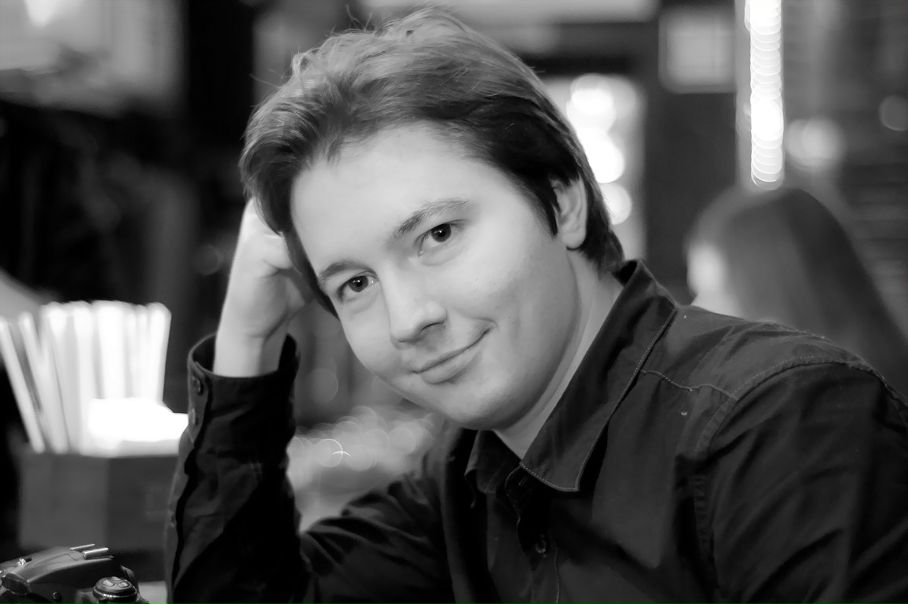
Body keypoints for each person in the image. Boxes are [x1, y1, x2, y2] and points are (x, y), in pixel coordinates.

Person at [166, 9, 908, 603]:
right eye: (355, 284)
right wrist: (248, 333)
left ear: (564, 202)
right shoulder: (464, 477)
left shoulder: (778, 425)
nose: (407, 319)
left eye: (438, 235)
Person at [687, 185, 908, 397]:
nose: (696, 309)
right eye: (697, 293)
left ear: (780, 300)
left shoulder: (818, 402)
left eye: (719, 294)